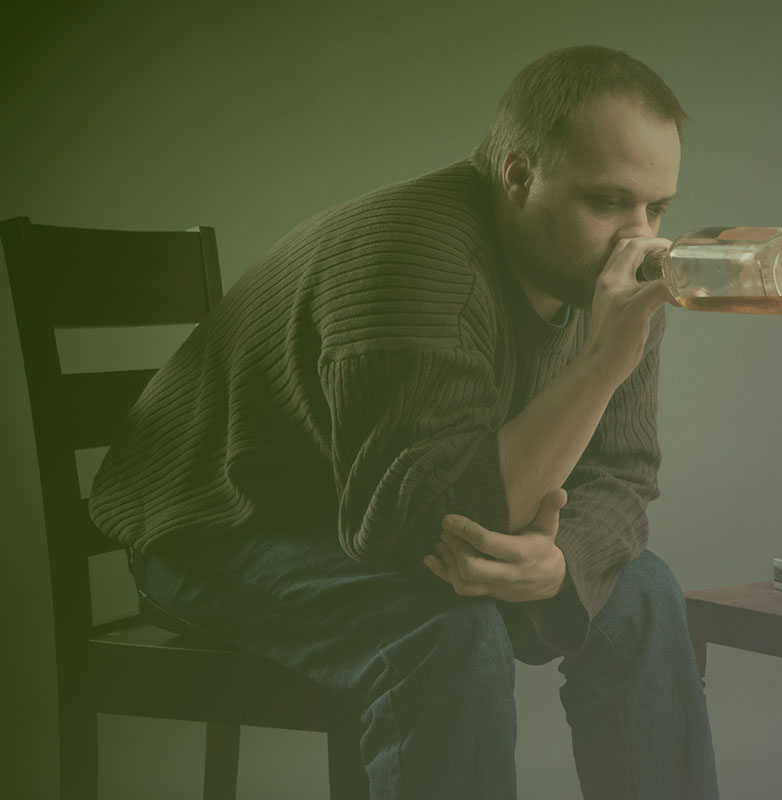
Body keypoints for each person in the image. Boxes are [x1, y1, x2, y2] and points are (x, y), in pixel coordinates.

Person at [88, 44, 718, 799]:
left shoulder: (615, 279)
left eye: (657, 208)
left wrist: (561, 561)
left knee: (644, 592)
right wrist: (600, 367)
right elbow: (417, 526)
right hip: (217, 532)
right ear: (519, 176)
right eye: (608, 202)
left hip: (376, 508)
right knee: (444, 631)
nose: (640, 241)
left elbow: (623, 473)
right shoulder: (412, 257)